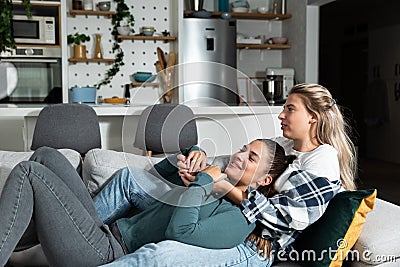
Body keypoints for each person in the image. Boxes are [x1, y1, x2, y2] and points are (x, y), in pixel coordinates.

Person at [98, 83, 355, 267]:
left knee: (162, 255)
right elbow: (231, 163)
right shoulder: (283, 145)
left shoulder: (322, 161)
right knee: (129, 178)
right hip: (221, 210)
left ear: (313, 117)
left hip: (253, 244)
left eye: (290, 109)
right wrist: (198, 159)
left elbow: (285, 218)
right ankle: (85, 236)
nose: (281, 114)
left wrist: (220, 185)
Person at [0, 138, 294, 267]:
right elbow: (157, 174)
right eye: (243, 148)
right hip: (104, 229)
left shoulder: (239, 220)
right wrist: (193, 153)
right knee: (46, 155)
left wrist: (205, 181)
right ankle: (16, 248)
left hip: (106, 253)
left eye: (251, 157)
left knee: (29, 172)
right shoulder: (212, 183)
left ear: (265, 180)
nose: (239, 155)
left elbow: (181, 232)